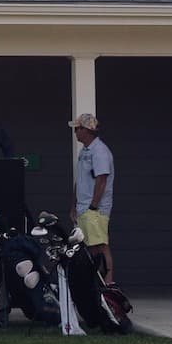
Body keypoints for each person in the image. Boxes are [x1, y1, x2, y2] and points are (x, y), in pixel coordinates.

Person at [68, 112, 116, 284]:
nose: (75, 132)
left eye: (77, 129)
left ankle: (109, 283)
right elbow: (79, 180)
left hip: (94, 209)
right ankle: (96, 282)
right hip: (83, 208)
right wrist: (74, 206)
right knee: (89, 247)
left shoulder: (99, 151)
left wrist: (93, 207)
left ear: (86, 130)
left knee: (100, 245)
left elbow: (101, 180)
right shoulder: (85, 151)